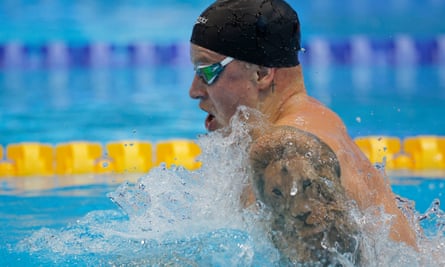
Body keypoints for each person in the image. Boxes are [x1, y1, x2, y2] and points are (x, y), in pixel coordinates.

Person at [188, 0, 417, 259]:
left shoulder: (285, 156)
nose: (194, 91)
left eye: (207, 71)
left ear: (262, 73)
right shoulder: (317, 119)